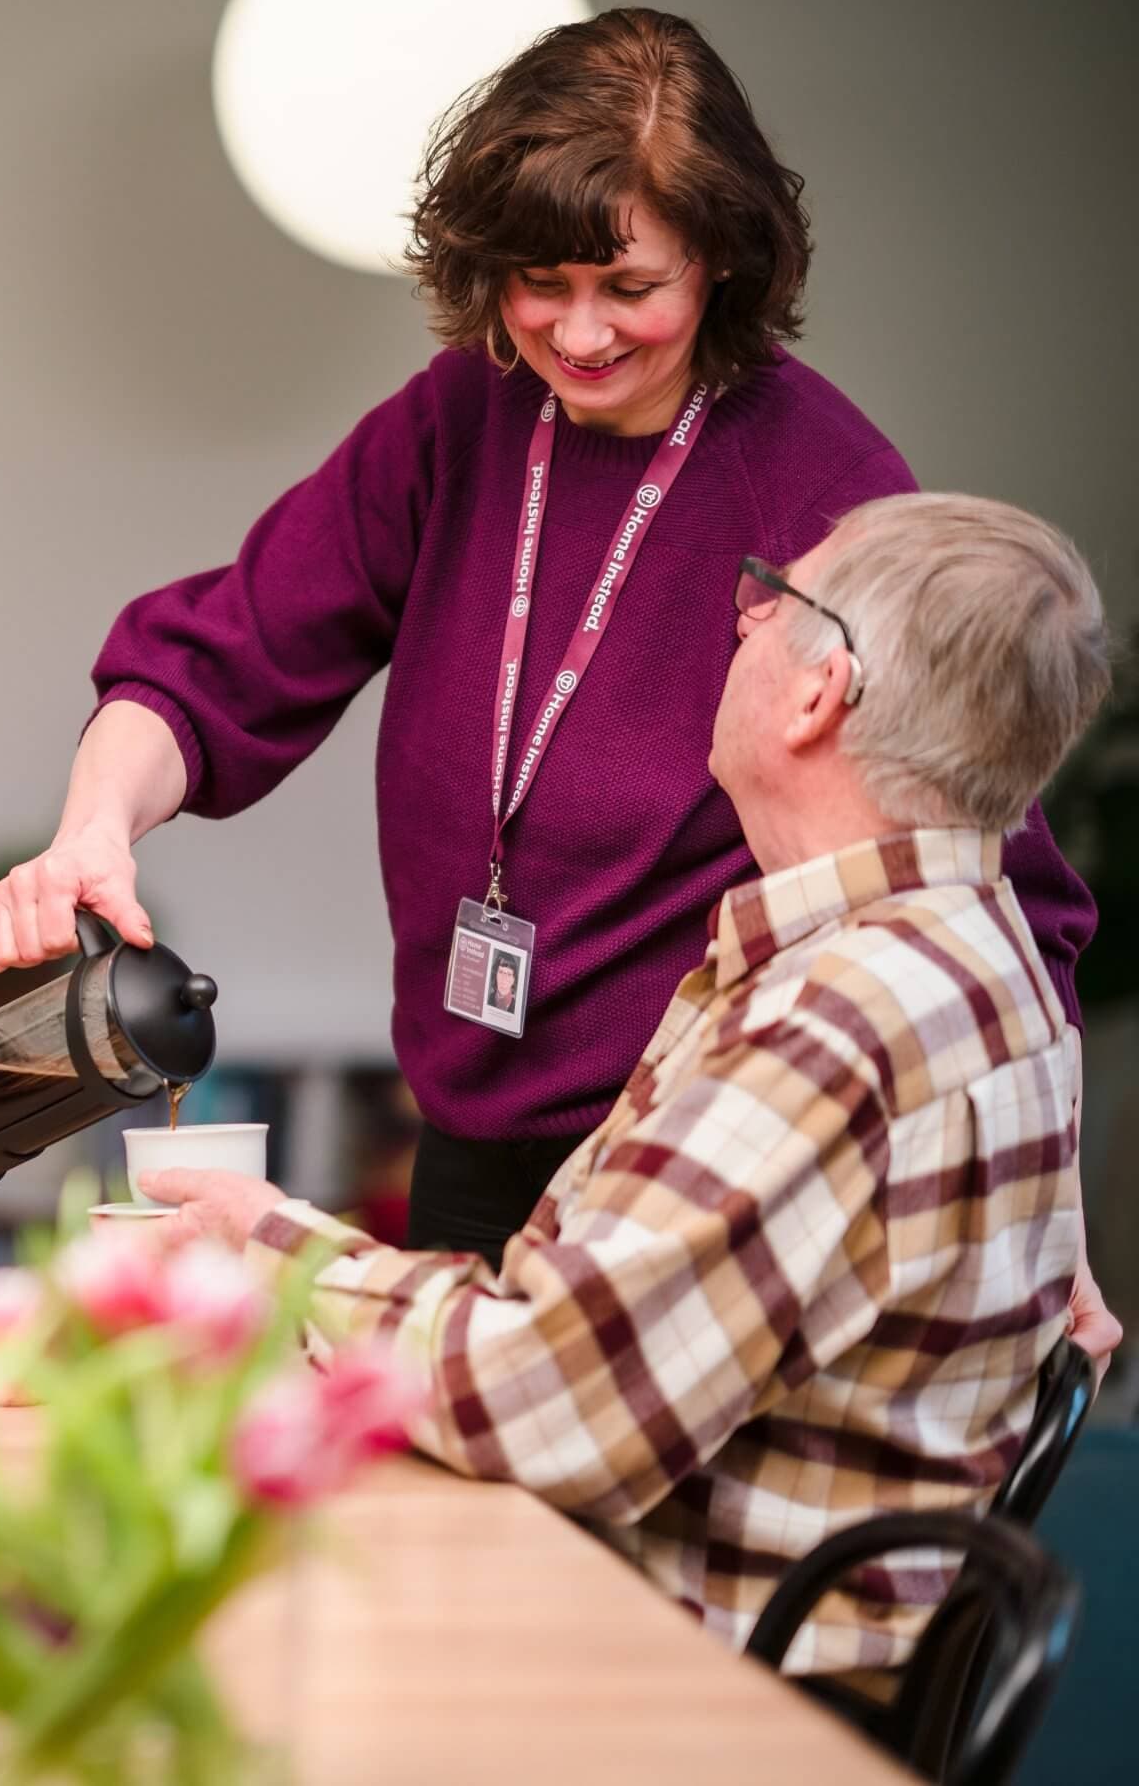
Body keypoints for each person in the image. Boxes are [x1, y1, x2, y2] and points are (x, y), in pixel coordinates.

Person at [0, 8, 1097, 1276]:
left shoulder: (819, 490)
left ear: (719, 261)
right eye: (539, 283)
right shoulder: (467, 416)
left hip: (693, 1168)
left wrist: (1044, 1235)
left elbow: (1000, 885)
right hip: (461, 1136)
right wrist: (91, 833)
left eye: (630, 287)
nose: (578, 334)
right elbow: (215, 657)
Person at [137, 491, 1116, 1673]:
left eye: (773, 600)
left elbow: (546, 1401)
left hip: (680, 1689)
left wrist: (271, 1250)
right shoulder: (981, 946)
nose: (741, 621)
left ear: (818, 693)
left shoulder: (841, 1017)